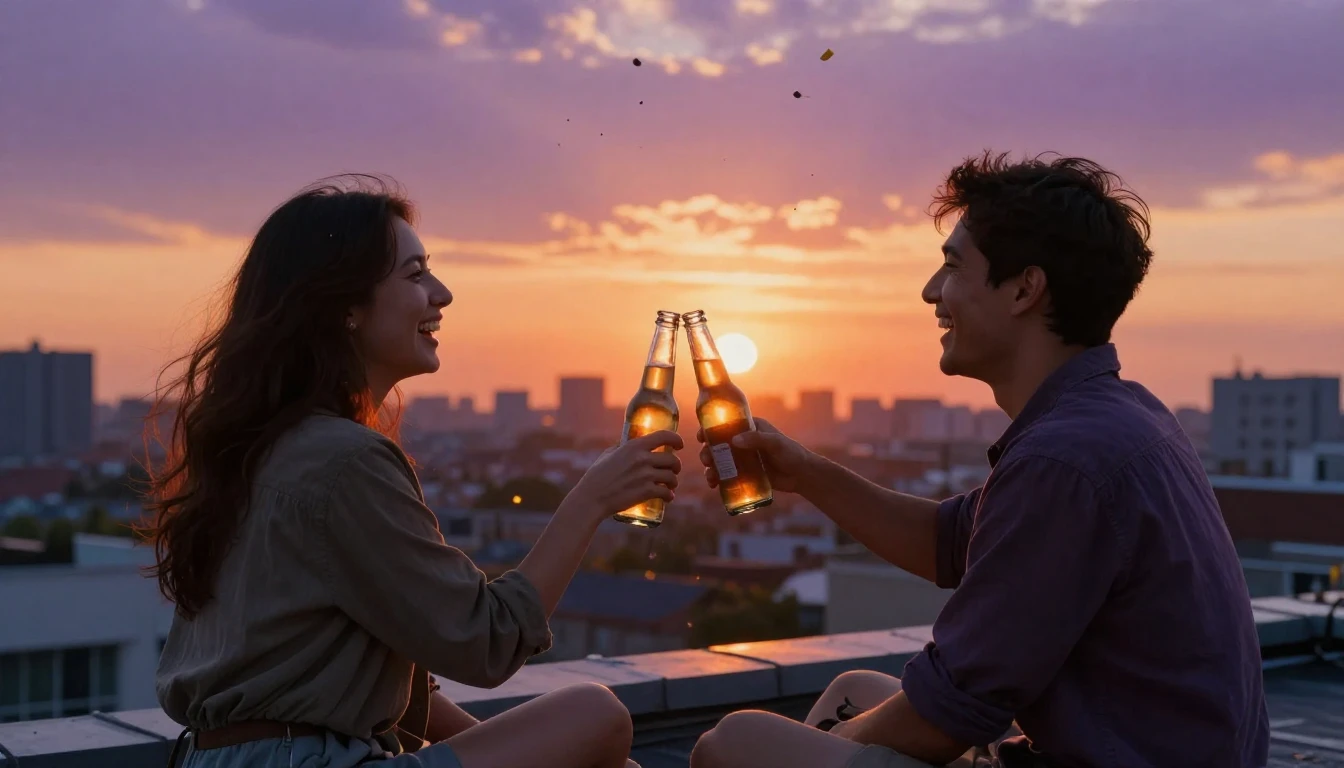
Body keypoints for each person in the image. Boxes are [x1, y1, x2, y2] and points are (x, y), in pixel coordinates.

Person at [690, 153, 1269, 768]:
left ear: (1025, 288)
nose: (931, 291)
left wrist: (819, 750)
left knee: (733, 744)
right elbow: (951, 542)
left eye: (953, 266)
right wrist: (804, 471)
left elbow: (945, 716)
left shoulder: (1064, 459)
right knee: (851, 693)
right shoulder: (1123, 417)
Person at [144, 175, 678, 768]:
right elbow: (486, 642)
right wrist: (591, 500)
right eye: (416, 274)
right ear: (345, 307)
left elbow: (390, 680)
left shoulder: (258, 448)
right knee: (596, 714)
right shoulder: (344, 460)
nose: (442, 294)